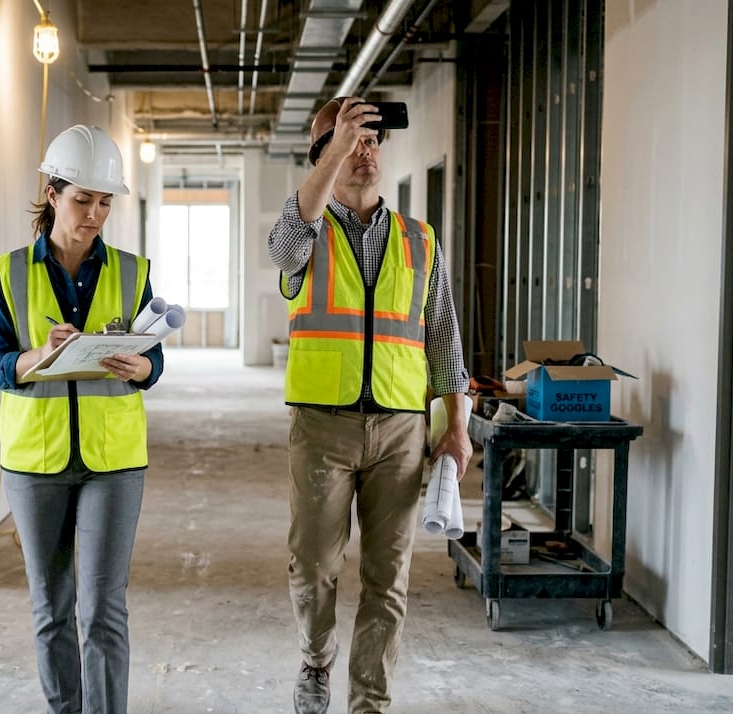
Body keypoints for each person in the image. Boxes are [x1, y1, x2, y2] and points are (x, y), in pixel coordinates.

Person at [267, 97, 472, 714]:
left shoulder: (419, 239)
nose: (365, 151)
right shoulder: (304, 233)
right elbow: (282, 250)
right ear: (323, 154)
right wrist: (337, 143)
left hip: (400, 430)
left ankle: (369, 703)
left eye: (372, 140)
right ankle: (314, 659)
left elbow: (443, 340)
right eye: (351, 141)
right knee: (312, 567)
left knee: (388, 579)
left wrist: (456, 425)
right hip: (322, 425)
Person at [0, 124, 163, 714]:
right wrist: (39, 357)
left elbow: (153, 358)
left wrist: (141, 367)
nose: (94, 214)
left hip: (113, 461)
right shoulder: (9, 271)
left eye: (105, 201)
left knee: (103, 608)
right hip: (36, 461)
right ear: (52, 192)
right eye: (83, 199)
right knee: (51, 607)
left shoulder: (133, 271)